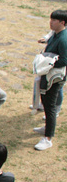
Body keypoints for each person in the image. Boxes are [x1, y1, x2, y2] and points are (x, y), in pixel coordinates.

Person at [34, 9, 67, 151]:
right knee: (46, 103)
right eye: (50, 19)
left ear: (62, 22)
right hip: (48, 74)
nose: (51, 22)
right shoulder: (55, 34)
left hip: (54, 77)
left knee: (50, 106)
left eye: (54, 20)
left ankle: (48, 138)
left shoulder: (63, 39)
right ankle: (47, 127)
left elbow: (64, 60)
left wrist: (48, 62)